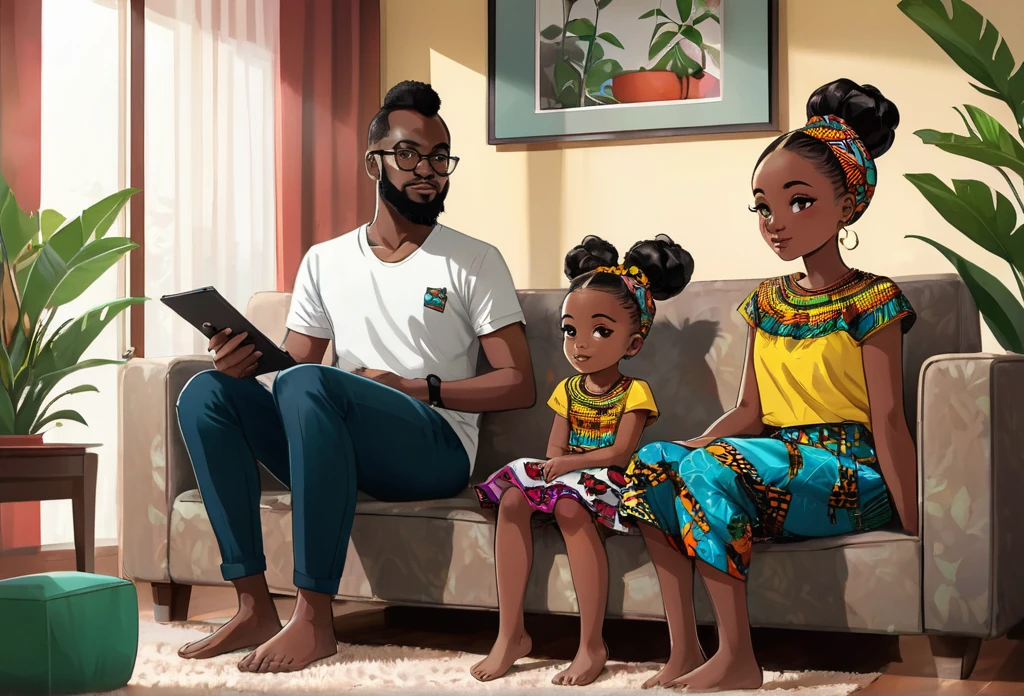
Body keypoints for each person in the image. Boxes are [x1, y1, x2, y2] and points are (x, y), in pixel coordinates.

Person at [174, 80, 536, 674]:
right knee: (207, 392)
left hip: (433, 449)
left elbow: (518, 382)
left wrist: (413, 387)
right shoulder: (325, 259)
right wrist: (240, 366)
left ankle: (315, 618)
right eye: (411, 154)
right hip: (335, 445)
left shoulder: (473, 259)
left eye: (440, 157)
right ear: (375, 162)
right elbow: (288, 369)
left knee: (309, 384)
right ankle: (253, 603)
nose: (429, 170)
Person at [618, 78, 917, 691]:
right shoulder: (766, 301)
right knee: (653, 461)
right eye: (763, 206)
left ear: (848, 205)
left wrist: (918, 524)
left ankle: (739, 659)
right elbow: (749, 410)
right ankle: (683, 650)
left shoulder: (874, 299)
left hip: (852, 473)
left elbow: (888, 419)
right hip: (771, 463)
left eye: (799, 202)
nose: (776, 221)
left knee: (712, 469)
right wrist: (697, 448)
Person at [470, 235, 694, 686]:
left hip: (610, 482)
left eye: (601, 331)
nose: (580, 344)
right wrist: (555, 470)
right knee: (513, 500)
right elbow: (554, 449)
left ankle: (591, 644)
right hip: (570, 474)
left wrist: (569, 467)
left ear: (632, 344)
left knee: (571, 507)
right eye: (570, 329)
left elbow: (620, 453)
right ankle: (509, 633)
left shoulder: (634, 392)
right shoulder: (568, 391)